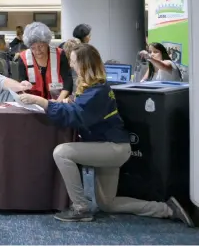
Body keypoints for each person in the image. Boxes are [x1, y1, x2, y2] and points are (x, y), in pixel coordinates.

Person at [18, 43, 194, 227]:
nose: (71, 66)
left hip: (112, 149)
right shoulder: (96, 88)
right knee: (107, 204)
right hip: (110, 147)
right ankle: (167, 209)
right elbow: (79, 110)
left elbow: (76, 116)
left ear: (84, 64)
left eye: (73, 62)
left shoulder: (97, 91)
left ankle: (80, 208)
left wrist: (43, 102)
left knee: (61, 152)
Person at [17, 22, 73, 101]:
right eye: (33, 48)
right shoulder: (23, 58)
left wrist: (58, 102)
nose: (37, 51)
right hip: (34, 103)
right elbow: (21, 83)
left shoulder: (60, 55)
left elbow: (68, 81)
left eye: (41, 46)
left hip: (58, 101)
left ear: (47, 42)